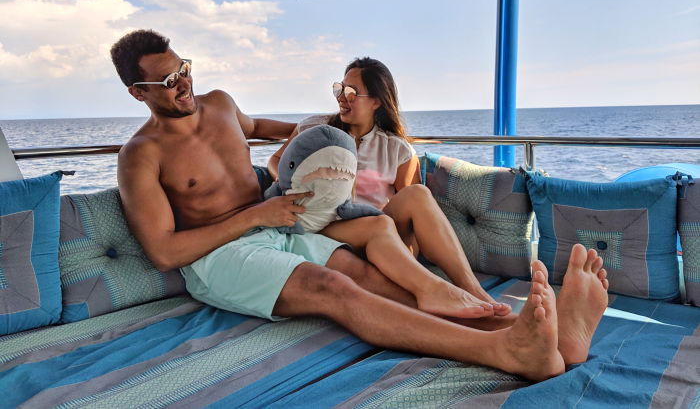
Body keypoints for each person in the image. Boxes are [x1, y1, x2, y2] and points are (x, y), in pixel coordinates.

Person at [112, 29, 609, 382]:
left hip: (281, 229)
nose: (183, 84)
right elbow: (164, 253)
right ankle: (505, 351)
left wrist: (315, 135)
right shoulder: (141, 155)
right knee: (330, 285)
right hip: (221, 256)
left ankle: (550, 336)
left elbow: (263, 128)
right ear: (138, 92)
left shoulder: (219, 103)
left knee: (376, 278)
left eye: (184, 69)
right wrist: (256, 215)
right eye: (167, 82)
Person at [269, 57, 509, 315]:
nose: (341, 97)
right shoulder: (314, 128)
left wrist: (406, 254)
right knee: (377, 224)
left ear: (377, 101)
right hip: (323, 227)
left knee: (417, 194)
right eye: (340, 88)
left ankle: (472, 290)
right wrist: (285, 184)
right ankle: (433, 292)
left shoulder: (396, 149)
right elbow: (276, 161)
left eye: (351, 92)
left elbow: (411, 221)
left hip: (377, 235)